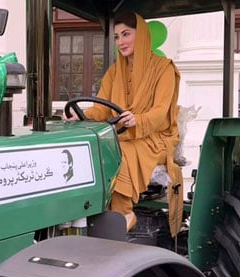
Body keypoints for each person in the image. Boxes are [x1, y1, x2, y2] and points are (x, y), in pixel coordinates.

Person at [65, 12, 183, 235]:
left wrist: (138, 120)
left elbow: (160, 112)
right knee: (95, 147)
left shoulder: (163, 68)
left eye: (126, 34)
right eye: (117, 37)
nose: (121, 42)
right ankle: (91, 214)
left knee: (119, 150)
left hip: (156, 138)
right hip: (123, 134)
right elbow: (102, 108)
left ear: (143, 36)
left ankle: (125, 213)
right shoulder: (114, 71)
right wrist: (82, 115)